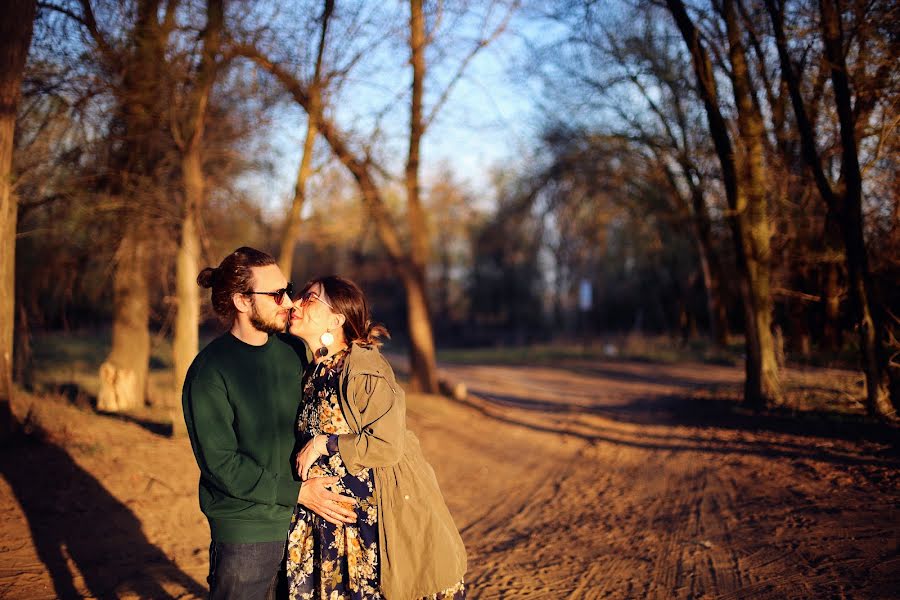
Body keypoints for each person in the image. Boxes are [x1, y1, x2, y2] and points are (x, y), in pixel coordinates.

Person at [182, 248, 356, 599]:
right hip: (247, 532)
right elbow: (222, 465)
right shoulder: (210, 371)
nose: (290, 302)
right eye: (277, 294)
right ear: (242, 302)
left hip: (303, 524)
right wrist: (298, 493)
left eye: (288, 289)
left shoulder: (294, 351)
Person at [285, 275, 467, 600]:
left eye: (310, 298)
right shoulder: (314, 371)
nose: (296, 303)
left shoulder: (363, 370)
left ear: (337, 318)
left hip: (360, 531)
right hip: (320, 525)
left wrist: (324, 443)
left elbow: (387, 444)